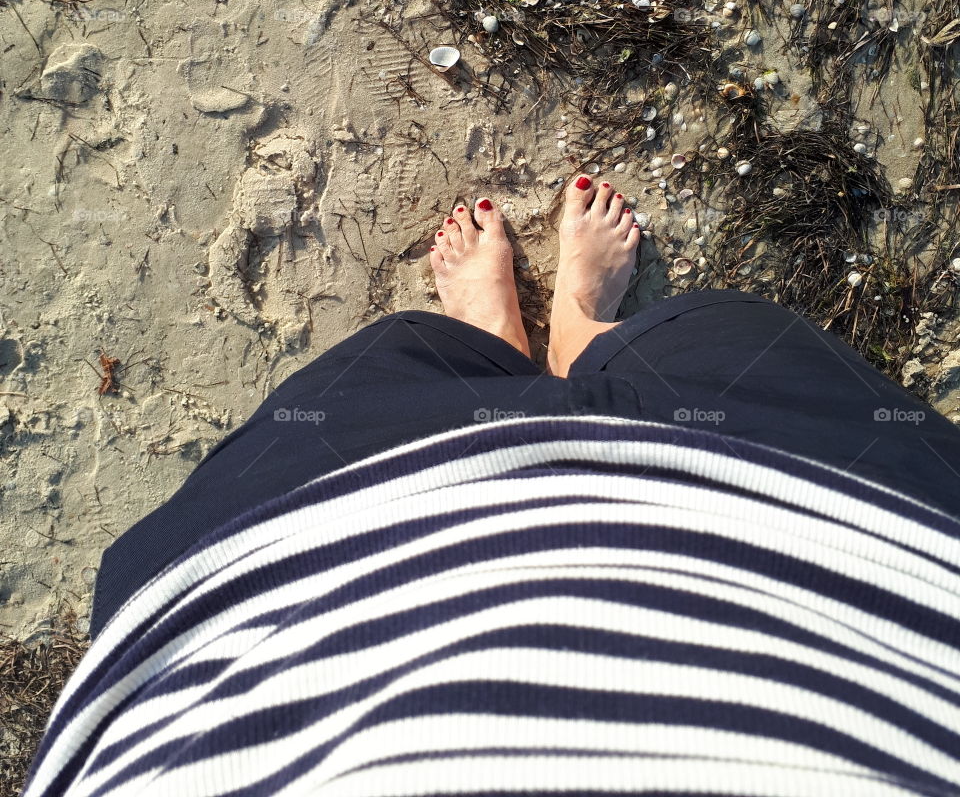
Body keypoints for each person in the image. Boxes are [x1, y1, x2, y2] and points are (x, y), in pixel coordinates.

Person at [23, 175, 960, 797]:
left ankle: (495, 345)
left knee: (389, 385)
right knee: (723, 353)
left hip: (292, 616)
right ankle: (580, 334)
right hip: (839, 579)